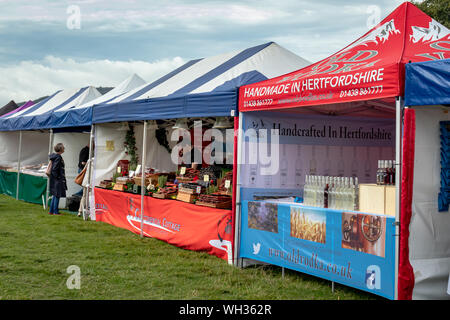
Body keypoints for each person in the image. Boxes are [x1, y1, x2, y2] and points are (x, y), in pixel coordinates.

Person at [48, 143, 67, 215]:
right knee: (57, 195)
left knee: (54, 195)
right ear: (60, 149)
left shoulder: (55, 156)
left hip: (54, 179)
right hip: (57, 179)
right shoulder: (58, 157)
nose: (64, 148)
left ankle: (51, 211)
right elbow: (55, 169)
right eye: (63, 147)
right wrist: (58, 177)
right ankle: (55, 212)